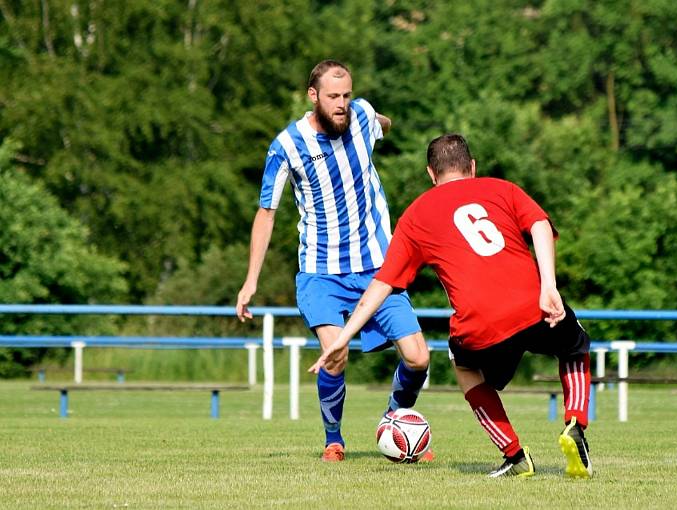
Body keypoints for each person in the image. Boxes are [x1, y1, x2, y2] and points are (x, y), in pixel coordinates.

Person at [310, 133, 593, 479]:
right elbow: (539, 224)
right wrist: (548, 285)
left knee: (465, 369)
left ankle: (515, 454)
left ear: (431, 174)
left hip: (479, 323)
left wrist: (344, 337)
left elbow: (382, 284)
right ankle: (575, 421)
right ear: (472, 167)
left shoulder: (416, 215)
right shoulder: (502, 189)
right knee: (574, 344)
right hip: (532, 303)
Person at [236, 59, 431, 463]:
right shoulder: (287, 146)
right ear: (313, 96)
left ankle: (394, 422)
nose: (342, 104)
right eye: (333, 97)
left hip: (379, 266)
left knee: (418, 356)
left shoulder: (360, 115)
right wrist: (250, 280)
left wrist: (384, 123)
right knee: (335, 352)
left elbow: (380, 121)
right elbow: (266, 213)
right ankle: (334, 439)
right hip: (321, 273)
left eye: (346, 95)